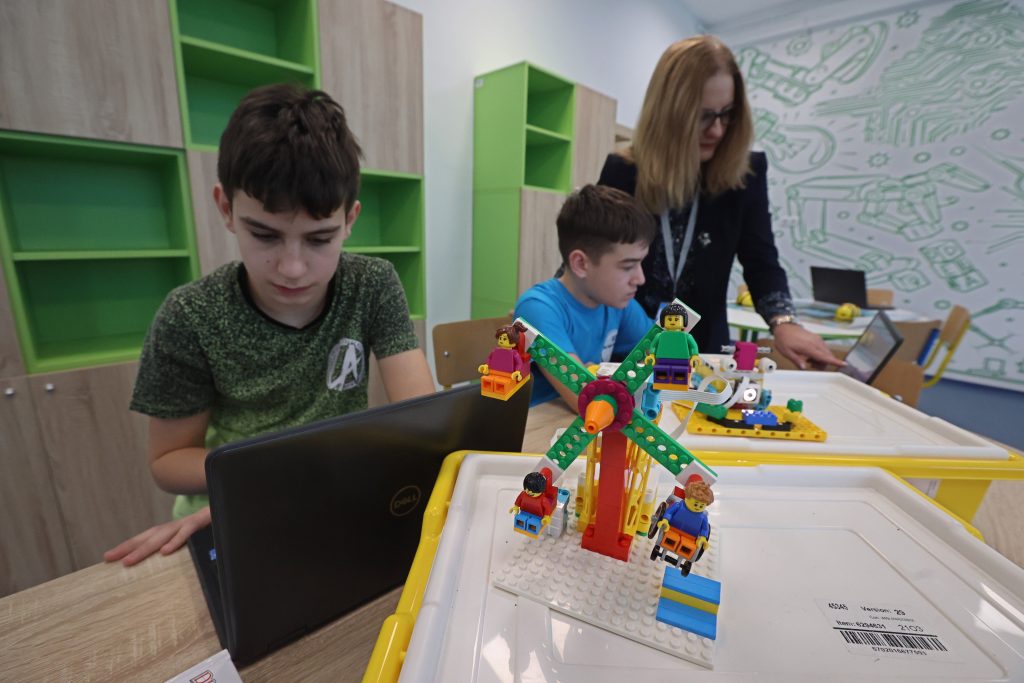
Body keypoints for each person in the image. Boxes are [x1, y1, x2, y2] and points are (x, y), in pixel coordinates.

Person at [105, 84, 435, 566]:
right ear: (226, 208)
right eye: (264, 234)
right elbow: (168, 463)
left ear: (350, 220)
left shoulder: (373, 284)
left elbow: (422, 417)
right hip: (233, 507)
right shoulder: (190, 315)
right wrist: (286, 472)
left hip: (335, 494)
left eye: (319, 239)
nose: (292, 268)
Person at [598, 35, 843, 370]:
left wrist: (784, 321)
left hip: (704, 353)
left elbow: (761, 260)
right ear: (668, 114)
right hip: (624, 352)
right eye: (702, 117)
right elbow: (593, 253)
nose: (716, 130)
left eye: (726, 114)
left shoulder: (747, 174)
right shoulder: (622, 171)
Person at [514, 184, 656, 407]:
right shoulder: (537, 309)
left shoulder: (618, 303)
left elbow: (669, 360)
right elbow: (589, 399)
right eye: (628, 266)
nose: (640, 278)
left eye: (640, 263)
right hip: (540, 426)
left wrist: (601, 375)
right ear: (581, 263)